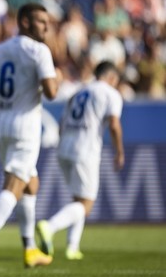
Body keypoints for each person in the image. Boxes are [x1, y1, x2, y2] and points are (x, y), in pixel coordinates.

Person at [0, 3, 59, 272]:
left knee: (31, 184)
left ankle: (30, 248)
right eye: (41, 21)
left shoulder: (0, 49)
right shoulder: (40, 51)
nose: (46, 26)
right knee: (15, 185)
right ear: (25, 22)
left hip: (1, 124)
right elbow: (51, 91)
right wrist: (58, 79)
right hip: (26, 126)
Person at [36, 61, 124, 260]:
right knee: (86, 203)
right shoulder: (110, 94)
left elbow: (61, 123)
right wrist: (119, 152)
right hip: (86, 149)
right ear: (111, 77)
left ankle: (72, 247)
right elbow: (114, 125)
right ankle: (49, 227)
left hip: (65, 147)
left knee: (78, 198)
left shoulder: (78, 92)